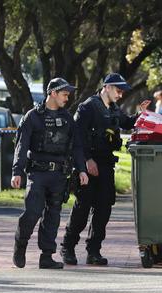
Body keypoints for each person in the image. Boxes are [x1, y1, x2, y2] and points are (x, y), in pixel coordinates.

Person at [60, 73, 150, 265]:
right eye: (118, 90)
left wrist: (139, 115)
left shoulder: (114, 109)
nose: (120, 94)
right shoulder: (88, 107)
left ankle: (94, 251)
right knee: (82, 208)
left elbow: (126, 122)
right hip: (88, 165)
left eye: (121, 91)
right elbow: (77, 137)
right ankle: (67, 247)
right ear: (107, 87)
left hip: (106, 165)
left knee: (103, 209)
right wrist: (87, 160)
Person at [11, 77, 89, 269]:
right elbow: (21, 146)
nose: (67, 98)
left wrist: (81, 169)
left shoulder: (67, 119)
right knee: (32, 212)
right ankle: (20, 246)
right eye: (64, 94)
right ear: (52, 93)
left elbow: (77, 146)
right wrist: (17, 171)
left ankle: (46, 256)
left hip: (59, 175)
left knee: (52, 216)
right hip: (37, 174)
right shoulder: (33, 117)